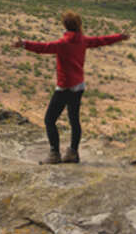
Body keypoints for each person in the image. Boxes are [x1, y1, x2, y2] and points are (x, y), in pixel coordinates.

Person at [12, 11, 129, 164]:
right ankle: (73, 152)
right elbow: (102, 40)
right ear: (78, 25)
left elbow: (43, 47)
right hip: (79, 86)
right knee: (74, 120)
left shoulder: (62, 43)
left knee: (49, 120)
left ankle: (55, 154)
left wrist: (24, 44)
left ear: (65, 25)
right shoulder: (83, 41)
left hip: (65, 87)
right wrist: (119, 37)